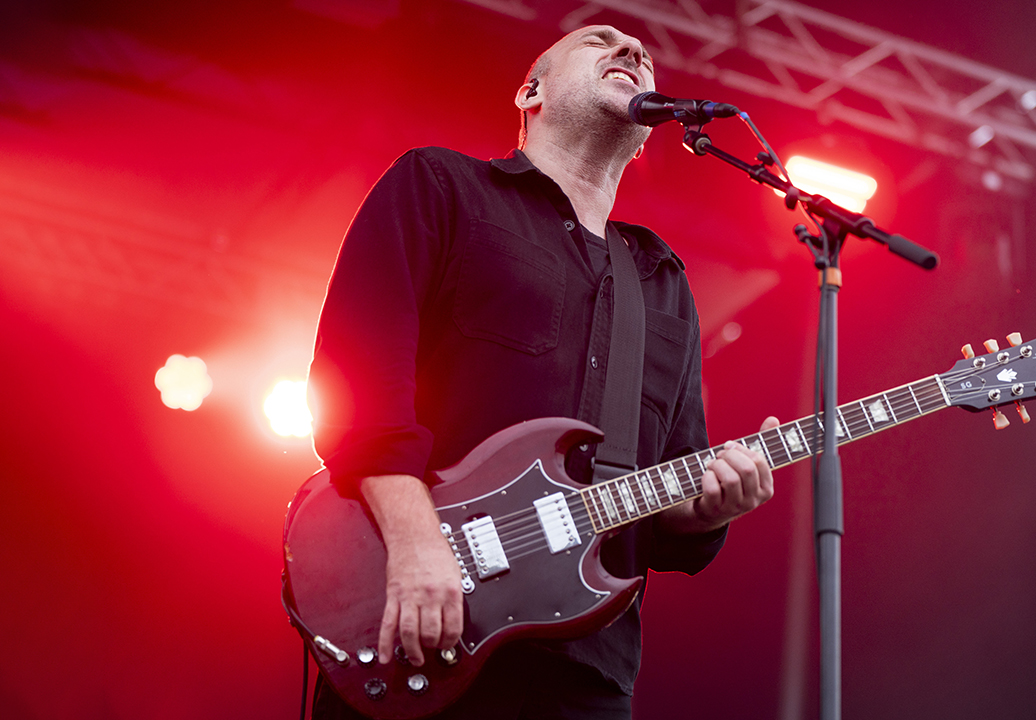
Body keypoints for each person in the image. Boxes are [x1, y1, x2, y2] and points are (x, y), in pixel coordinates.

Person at [307, 24, 779, 719]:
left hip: (583, 671)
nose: (632, 53)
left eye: (642, 55)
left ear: (649, 132)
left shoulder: (660, 280)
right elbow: (357, 378)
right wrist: (417, 547)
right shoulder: (442, 187)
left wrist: (709, 510)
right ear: (532, 92)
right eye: (600, 41)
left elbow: (673, 480)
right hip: (411, 616)